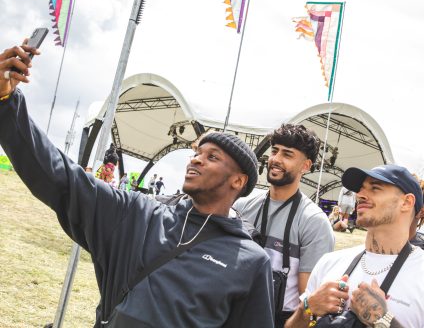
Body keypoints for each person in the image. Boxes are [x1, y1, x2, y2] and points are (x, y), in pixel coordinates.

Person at [0, 41, 274, 327]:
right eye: (196, 153)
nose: (196, 160)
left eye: (212, 157)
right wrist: (7, 102)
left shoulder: (250, 261)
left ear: (238, 181)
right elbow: (62, 178)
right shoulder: (139, 215)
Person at [286, 164, 424, 328]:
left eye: (375, 188)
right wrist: (307, 308)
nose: (360, 195)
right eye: (360, 189)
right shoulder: (330, 262)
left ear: (407, 202)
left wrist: (383, 320)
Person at [233, 123, 334, 327]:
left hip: (279, 319)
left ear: (306, 166)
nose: (276, 159)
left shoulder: (314, 222)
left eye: (287, 154)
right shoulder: (241, 205)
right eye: (274, 151)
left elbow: (309, 299)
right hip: (234, 309)